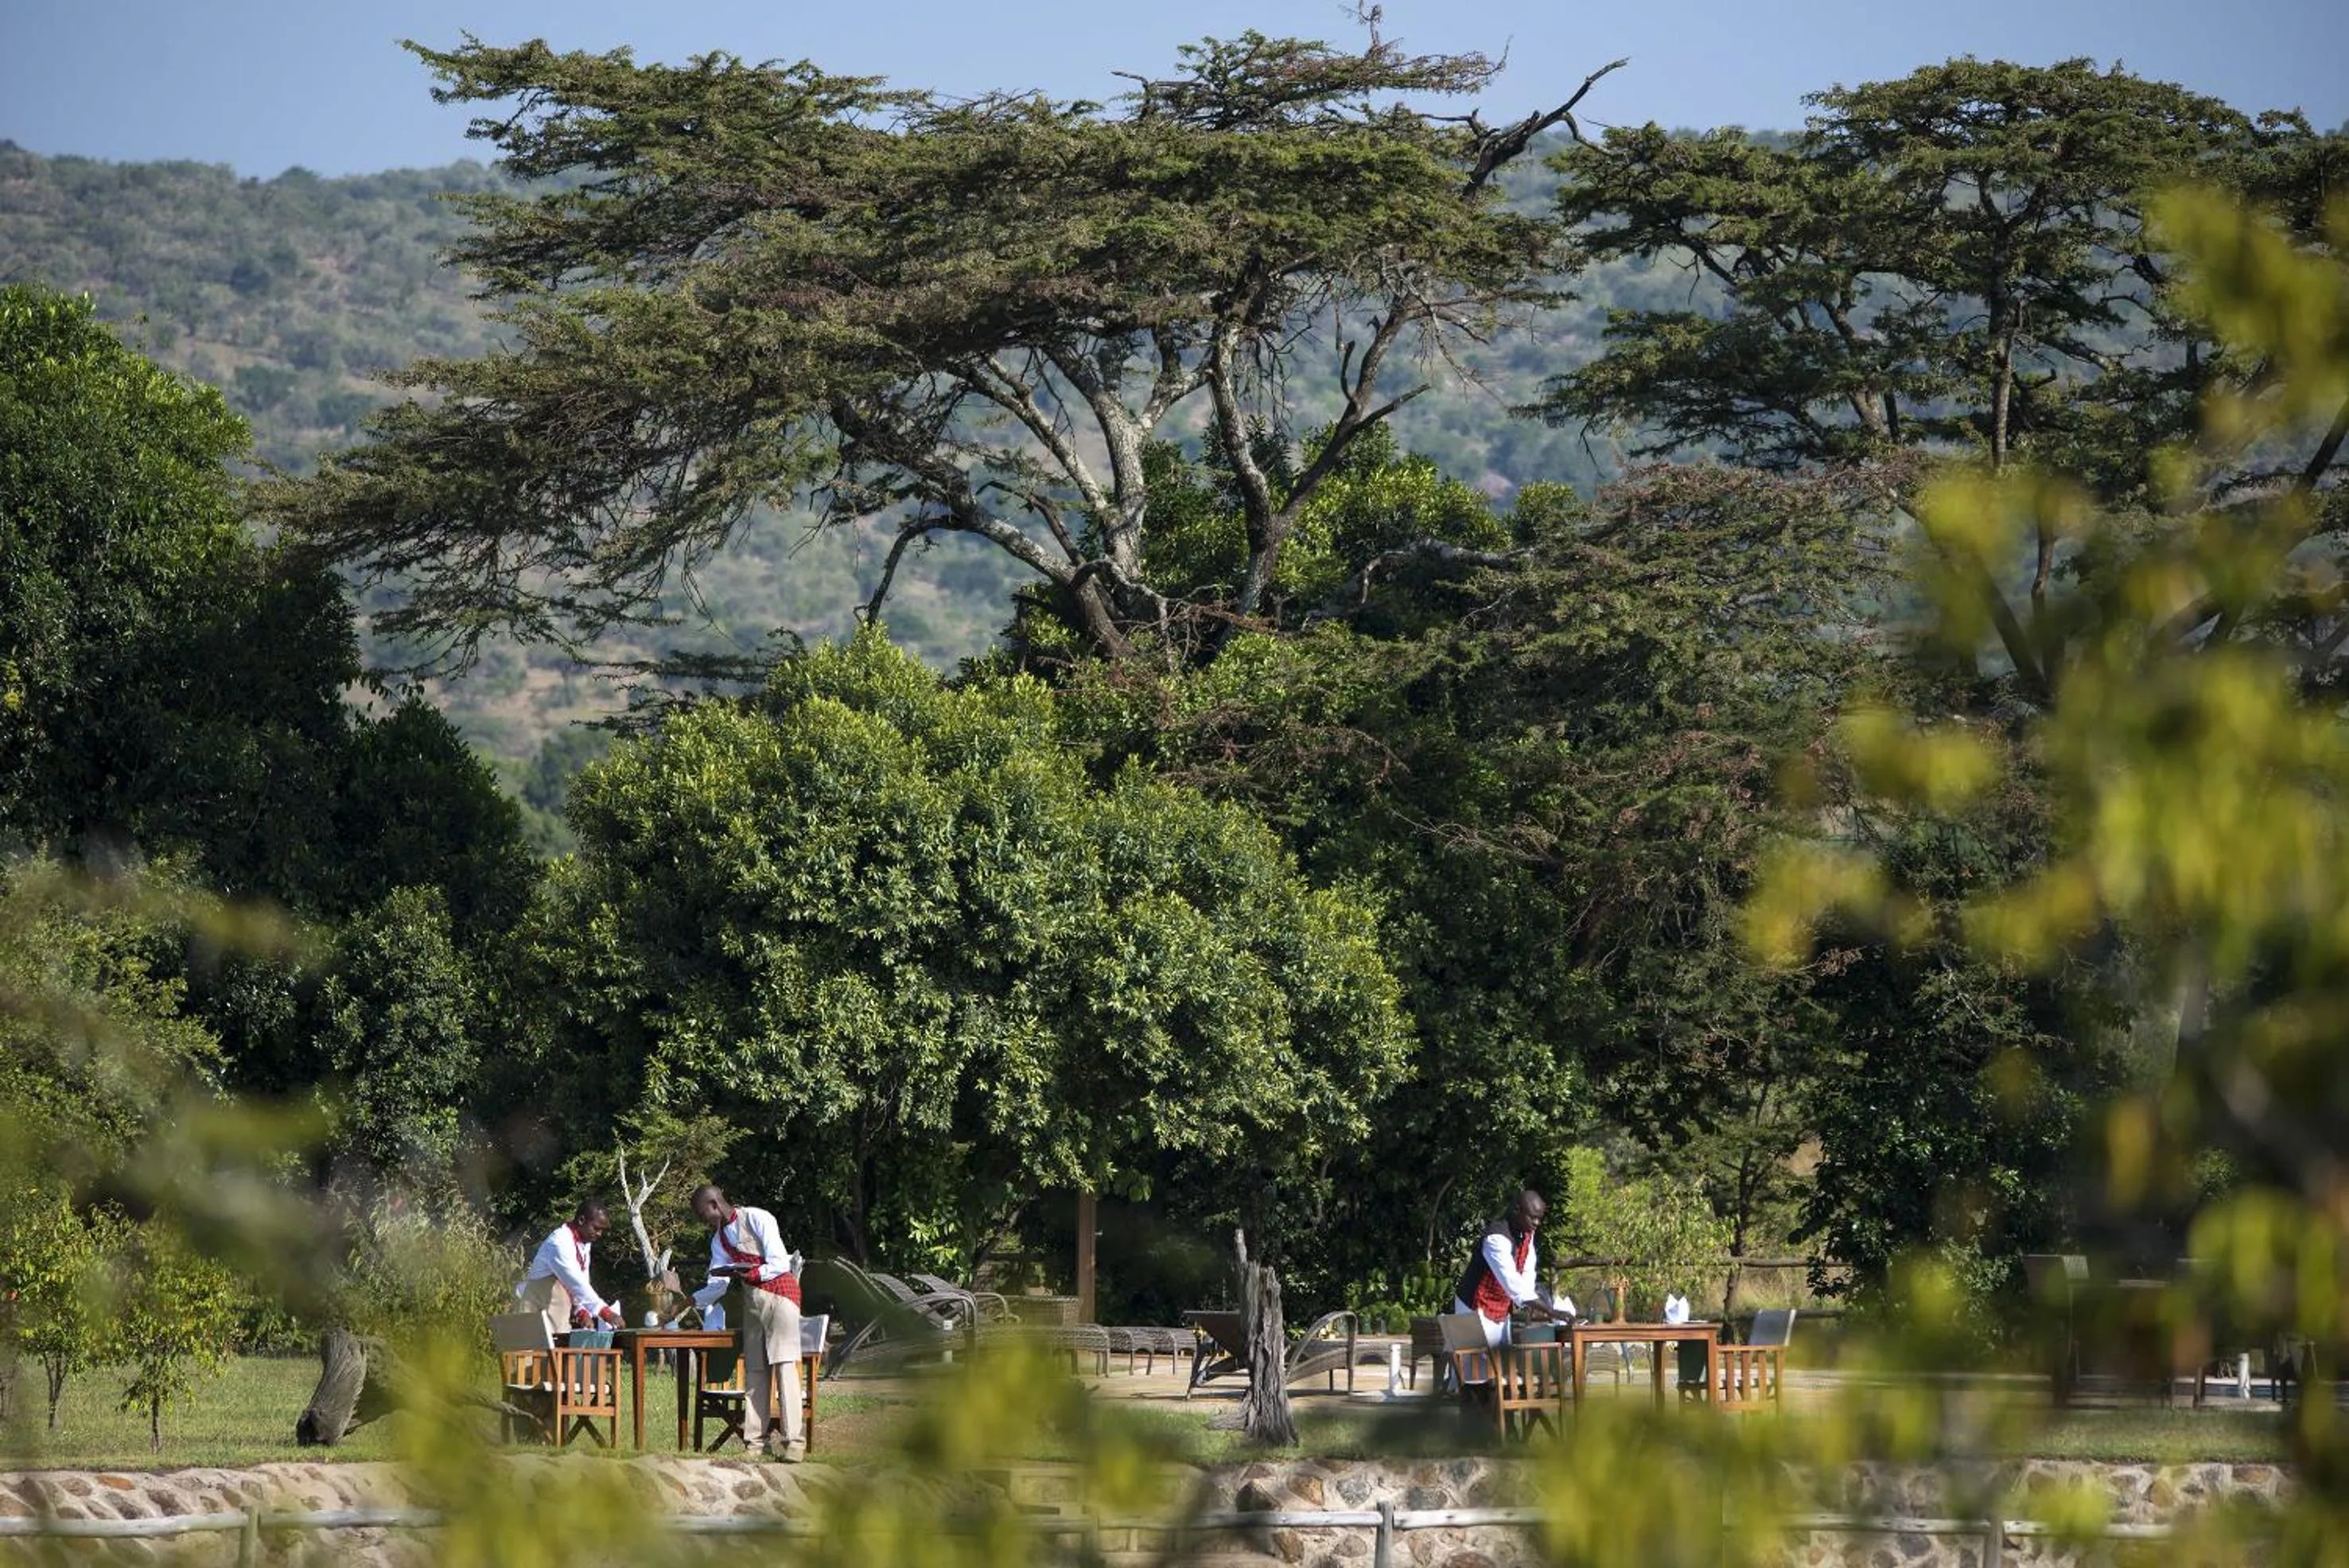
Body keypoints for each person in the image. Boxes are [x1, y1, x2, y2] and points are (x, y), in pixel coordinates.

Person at [689, 1184, 804, 1462]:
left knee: (785, 1367)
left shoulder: (757, 1218)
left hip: (780, 1296)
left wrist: (752, 1272)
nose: (703, 1221)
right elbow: (718, 1284)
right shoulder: (719, 1240)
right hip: (753, 1302)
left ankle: (793, 1445)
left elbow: (779, 1262)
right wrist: (691, 1300)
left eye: (703, 1214)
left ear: (715, 1204)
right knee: (754, 1372)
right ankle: (755, 1444)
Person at [1451, 1189, 1570, 1348]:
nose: (1537, 1223)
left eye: (1539, 1219)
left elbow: (1527, 1270)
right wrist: (1550, 1311)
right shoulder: (1496, 1239)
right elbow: (1513, 1284)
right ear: (1517, 1211)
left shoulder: (1528, 1232)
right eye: (1533, 1217)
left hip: (1500, 1308)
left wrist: (1531, 1302)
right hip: (1473, 1308)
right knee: (1471, 1367)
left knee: (1500, 1365)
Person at [515, 1200, 624, 1341]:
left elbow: (583, 1278)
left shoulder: (585, 1242)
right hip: (541, 1299)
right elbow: (575, 1281)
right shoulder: (559, 1243)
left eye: (602, 1230)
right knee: (540, 1349)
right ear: (581, 1220)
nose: (599, 1234)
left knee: (560, 1348)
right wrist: (605, 1312)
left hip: (559, 1300)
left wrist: (580, 1310)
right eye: (596, 1228)